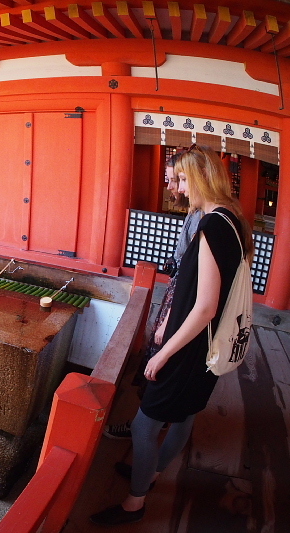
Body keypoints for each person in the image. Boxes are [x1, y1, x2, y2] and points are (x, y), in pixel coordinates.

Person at [90, 145, 253, 526]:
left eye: (180, 178)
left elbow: (205, 306)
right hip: (206, 345)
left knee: (146, 425)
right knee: (183, 417)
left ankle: (136, 503)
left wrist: (164, 353)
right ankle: (152, 474)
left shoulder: (212, 225)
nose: (176, 187)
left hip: (192, 346)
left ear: (199, 177)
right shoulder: (233, 219)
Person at [104, 152, 204, 439]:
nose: (173, 188)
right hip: (179, 293)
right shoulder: (195, 212)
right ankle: (155, 424)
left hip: (183, 299)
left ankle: (144, 428)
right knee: (161, 362)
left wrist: (167, 320)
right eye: (172, 180)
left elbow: (193, 276)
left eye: (177, 180)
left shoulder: (205, 218)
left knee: (161, 362)